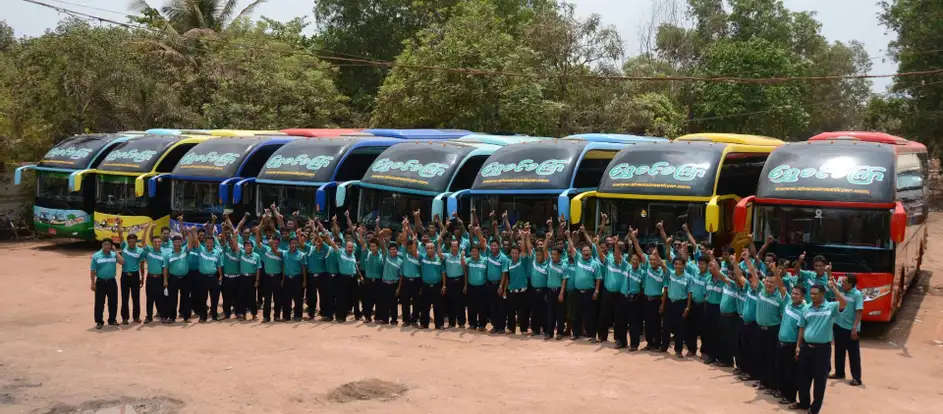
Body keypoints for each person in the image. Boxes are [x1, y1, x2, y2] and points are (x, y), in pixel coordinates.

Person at [793, 266, 848, 414]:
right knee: (803, 378)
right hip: (806, 348)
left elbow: (844, 303)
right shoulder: (807, 308)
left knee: (819, 381)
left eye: (815, 294)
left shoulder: (830, 307)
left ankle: (814, 408)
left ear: (823, 294)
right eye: (811, 294)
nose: (813, 296)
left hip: (822, 350)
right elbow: (801, 328)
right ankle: (803, 403)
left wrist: (834, 289)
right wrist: (798, 346)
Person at [628, 228, 667, 351]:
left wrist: (662, 304)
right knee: (648, 323)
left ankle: (657, 344)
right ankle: (650, 343)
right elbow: (639, 252)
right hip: (646, 299)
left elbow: (666, 286)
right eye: (650, 259)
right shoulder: (647, 267)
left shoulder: (663, 271)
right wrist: (634, 238)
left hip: (657, 301)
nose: (651, 261)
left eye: (653, 259)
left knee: (656, 324)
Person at [566, 227, 603, 342]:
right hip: (578, 292)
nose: (586, 252)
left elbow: (598, 278)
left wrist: (596, 291)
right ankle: (576, 334)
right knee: (576, 315)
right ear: (581, 253)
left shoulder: (595, 264)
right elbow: (572, 248)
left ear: (591, 252)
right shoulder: (578, 259)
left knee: (590, 316)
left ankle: (592, 335)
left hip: (590, 293)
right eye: (584, 251)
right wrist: (568, 236)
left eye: (588, 251)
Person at [756, 262, 788, 394]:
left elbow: (782, 316)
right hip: (760, 330)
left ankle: (773, 385)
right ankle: (763, 381)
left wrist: (775, 272)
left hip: (773, 331)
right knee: (762, 357)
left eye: (772, 282)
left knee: (772, 359)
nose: (769, 284)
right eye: (767, 281)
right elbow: (752, 273)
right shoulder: (761, 291)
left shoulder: (780, 298)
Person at [596, 214, 627, 347]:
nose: (616, 254)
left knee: (620, 318)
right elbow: (600, 253)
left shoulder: (624, 263)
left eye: (618, 251)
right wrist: (596, 243)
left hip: (620, 295)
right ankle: (602, 336)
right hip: (607, 292)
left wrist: (615, 244)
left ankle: (620, 340)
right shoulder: (608, 261)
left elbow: (618, 255)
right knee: (604, 315)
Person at [777, 284, 808, 406]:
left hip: (792, 345)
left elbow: (802, 330)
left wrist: (798, 347)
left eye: (797, 294)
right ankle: (783, 392)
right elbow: (782, 288)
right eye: (793, 293)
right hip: (781, 343)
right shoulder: (788, 303)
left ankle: (790, 397)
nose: (794, 296)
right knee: (782, 369)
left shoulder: (804, 310)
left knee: (791, 372)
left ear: (802, 296)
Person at [831, 273, 864, 386]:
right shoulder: (842, 290)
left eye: (844, 282)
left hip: (850, 329)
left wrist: (855, 328)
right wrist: (829, 271)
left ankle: (856, 378)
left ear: (850, 284)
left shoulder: (857, 294)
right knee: (839, 351)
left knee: (853, 354)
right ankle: (839, 373)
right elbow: (833, 283)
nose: (841, 283)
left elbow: (859, 312)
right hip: (839, 325)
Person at [478, 216, 509, 334]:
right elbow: (482, 242)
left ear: (499, 246)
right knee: (492, 306)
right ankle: (495, 326)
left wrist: (501, 286)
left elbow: (504, 273)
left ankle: (501, 327)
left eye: (495, 245)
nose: (493, 247)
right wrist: (478, 232)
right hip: (489, 284)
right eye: (492, 246)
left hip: (498, 285)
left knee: (501, 306)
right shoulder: (488, 253)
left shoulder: (504, 258)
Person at [323, 231, 360, 323]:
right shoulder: (340, 253)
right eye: (349, 247)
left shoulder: (353, 256)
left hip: (354, 278)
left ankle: (357, 315)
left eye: (351, 247)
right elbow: (333, 245)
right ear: (345, 247)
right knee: (343, 298)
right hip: (344, 278)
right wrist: (328, 238)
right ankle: (341, 317)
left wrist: (360, 276)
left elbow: (355, 266)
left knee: (355, 298)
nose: (350, 249)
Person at [164, 227, 197, 323]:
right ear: (173, 243)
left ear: (181, 242)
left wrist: (189, 231)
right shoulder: (168, 254)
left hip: (185, 278)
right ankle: (172, 317)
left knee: (186, 298)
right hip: (173, 278)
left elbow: (190, 243)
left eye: (179, 242)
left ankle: (186, 316)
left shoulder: (185, 251)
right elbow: (165, 268)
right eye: (175, 242)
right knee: (172, 298)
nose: (177, 244)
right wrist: (165, 280)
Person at [90, 238, 124, 329]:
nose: (106, 246)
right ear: (102, 245)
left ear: (111, 246)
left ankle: (112, 319)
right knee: (99, 302)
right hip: (100, 282)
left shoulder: (114, 255)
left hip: (111, 281)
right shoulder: (96, 256)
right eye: (104, 244)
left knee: (113, 302)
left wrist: (116, 251)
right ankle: (99, 321)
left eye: (108, 245)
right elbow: (93, 271)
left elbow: (122, 262)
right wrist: (92, 283)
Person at [682, 244, 709, 357]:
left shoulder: (709, 277)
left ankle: (704, 352)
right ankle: (691, 349)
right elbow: (685, 261)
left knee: (704, 330)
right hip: (692, 304)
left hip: (703, 306)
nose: (700, 266)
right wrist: (684, 249)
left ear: (707, 265)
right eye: (699, 263)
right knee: (690, 328)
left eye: (703, 264)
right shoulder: (695, 272)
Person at [662, 254, 692, 357]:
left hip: (681, 304)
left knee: (680, 328)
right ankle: (664, 347)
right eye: (675, 264)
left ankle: (678, 350)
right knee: (666, 325)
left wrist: (687, 308)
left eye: (680, 264)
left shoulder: (688, 277)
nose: (677, 266)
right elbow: (662, 265)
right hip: (670, 302)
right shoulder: (670, 273)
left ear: (684, 265)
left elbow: (689, 293)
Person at [116, 219, 144, 324]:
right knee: (124, 297)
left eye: (134, 242)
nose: (132, 243)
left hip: (135, 276)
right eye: (130, 242)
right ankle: (125, 318)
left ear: (136, 242)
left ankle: (136, 317)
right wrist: (119, 224)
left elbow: (142, 265)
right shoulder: (124, 247)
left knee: (136, 297)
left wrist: (142, 277)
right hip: (124, 276)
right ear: (128, 242)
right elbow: (120, 234)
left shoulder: (140, 251)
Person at [526, 226, 552, 338]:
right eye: (537, 254)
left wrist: (547, 239)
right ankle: (535, 330)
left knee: (545, 311)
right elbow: (528, 248)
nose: (538, 256)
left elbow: (544, 249)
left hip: (544, 290)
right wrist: (526, 236)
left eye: (540, 254)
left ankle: (546, 330)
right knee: (534, 311)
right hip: (533, 290)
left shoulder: (546, 262)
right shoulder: (533, 260)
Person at [255, 226, 284, 323]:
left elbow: (277, 253)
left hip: (277, 277)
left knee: (278, 298)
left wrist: (271, 245)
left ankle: (277, 316)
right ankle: (266, 317)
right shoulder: (266, 249)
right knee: (267, 298)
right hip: (267, 277)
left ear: (279, 243)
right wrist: (259, 229)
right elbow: (258, 242)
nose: (275, 244)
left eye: (276, 242)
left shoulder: (282, 251)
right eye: (273, 242)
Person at [623, 235, 645, 351]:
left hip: (637, 299)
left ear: (639, 261)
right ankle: (627, 342)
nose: (635, 261)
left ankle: (634, 344)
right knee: (628, 322)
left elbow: (642, 287)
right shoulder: (628, 269)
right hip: (627, 298)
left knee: (635, 323)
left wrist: (637, 297)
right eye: (633, 260)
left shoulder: (642, 273)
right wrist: (630, 243)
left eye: (637, 260)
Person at [377, 228, 403, 325]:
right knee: (384, 302)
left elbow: (401, 276)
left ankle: (394, 320)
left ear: (397, 250)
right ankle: (385, 319)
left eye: (395, 249)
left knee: (393, 303)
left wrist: (399, 288)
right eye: (391, 249)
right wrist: (381, 236)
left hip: (394, 285)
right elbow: (382, 245)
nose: (393, 250)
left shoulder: (400, 261)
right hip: (384, 284)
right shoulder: (386, 255)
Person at [142, 223, 167, 323]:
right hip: (150, 278)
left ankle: (162, 315)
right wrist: (146, 229)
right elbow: (143, 241)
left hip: (160, 278)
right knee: (150, 298)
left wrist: (165, 280)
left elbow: (165, 268)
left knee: (161, 298)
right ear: (152, 243)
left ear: (161, 243)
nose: (157, 244)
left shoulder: (164, 254)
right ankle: (149, 317)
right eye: (155, 242)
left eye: (159, 242)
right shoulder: (148, 251)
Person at [359, 223, 383, 323]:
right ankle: (367, 317)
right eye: (371, 246)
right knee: (368, 300)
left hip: (378, 281)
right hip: (368, 281)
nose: (372, 248)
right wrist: (360, 234)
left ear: (377, 247)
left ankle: (377, 318)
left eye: (374, 246)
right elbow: (362, 243)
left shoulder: (381, 256)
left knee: (378, 300)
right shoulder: (367, 253)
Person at [419, 240, 446, 329]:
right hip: (425, 285)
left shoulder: (440, 259)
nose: (430, 249)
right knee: (424, 306)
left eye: (431, 248)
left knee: (438, 306)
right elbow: (415, 252)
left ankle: (439, 325)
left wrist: (444, 285)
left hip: (437, 285)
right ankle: (424, 324)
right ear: (425, 249)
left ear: (434, 249)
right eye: (428, 248)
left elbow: (443, 273)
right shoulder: (422, 257)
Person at [194, 234, 222, 322]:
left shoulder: (216, 252)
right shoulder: (201, 250)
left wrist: (220, 275)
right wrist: (193, 231)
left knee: (215, 297)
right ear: (205, 242)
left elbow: (219, 265)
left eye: (211, 243)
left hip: (213, 277)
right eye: (208, 242)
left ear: (213, 243)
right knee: (202, 298)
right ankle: (203, 316)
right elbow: (195, 240)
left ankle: (214, 314)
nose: (209, 244)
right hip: (202, 278)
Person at [443, 233, 468, 329]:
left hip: (460, 281)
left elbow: (465, 269)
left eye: (456, 246)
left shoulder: (462, 257)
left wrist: (465, 285)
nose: (454, 248)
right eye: (452, 246)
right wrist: (440, 240)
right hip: (450, 281)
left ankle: (461, 322)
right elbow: (439, 254)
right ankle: (451, 322)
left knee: (460, 302)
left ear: (458, 247)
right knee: (451, 302)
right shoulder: (446, 256)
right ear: (451, 247)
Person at [505, 240, 530, 335]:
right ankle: (511, 328)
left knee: (523, 311)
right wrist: (505, 290)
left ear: (519, 254)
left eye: (516, 253)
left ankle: (523, 329)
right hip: (512, 291)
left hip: (522, 291)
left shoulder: (522, 261)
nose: (514, 254)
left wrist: (523, 237)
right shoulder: (509, 263)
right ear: (510, 254)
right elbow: (508, 278)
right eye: (513, 253)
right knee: (511, 311)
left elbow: (524, 250)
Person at [282, 235, 307, 321]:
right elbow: (283, 266)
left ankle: (298, 316)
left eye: (295, 243)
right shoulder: (284, 253)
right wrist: (282, 279)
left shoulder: (301, 254)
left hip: (297, 278)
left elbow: (303, 268)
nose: (293, 245)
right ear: (289, 244)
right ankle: (286, 316)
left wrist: (304, 281)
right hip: (287, 277)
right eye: (292, 243)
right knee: (286, 298)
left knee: (298, 298)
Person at [465, 238, 489, 331]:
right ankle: (472, 324)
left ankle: (482, 325)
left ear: (479, 252)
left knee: (482, 306)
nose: (473, 253)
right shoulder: (468, 260)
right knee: (471, 306)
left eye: (475, 251)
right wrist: (463, 255)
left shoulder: (485, 260)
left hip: (482, 287)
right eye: (472, 252)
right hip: (471, 287)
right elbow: (462, 264)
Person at [235, 239, 261, 320]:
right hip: (242, 277)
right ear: (244, 247)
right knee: (242, 296)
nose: (247, 247)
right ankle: (244, 315)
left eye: (249, 245)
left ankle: (254, 314)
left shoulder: (256, 256)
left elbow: (258, 269)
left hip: (252, 278)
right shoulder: (241, 253)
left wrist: (257, 280)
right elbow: (235, 245)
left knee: (252, 297)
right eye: (246, 246)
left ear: (252, 247)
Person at [219, 227, 242, 320]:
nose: (233, 244)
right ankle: (227, 314)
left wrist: (234, 235)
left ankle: (238, 313)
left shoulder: (240, 253)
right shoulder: (226, 250)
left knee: (238, 297)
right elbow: (223, 240)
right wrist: (223, 229)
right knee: (226, 298)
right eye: (231, 243)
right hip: (227, 278)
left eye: (234, 243)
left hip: (237, 278)